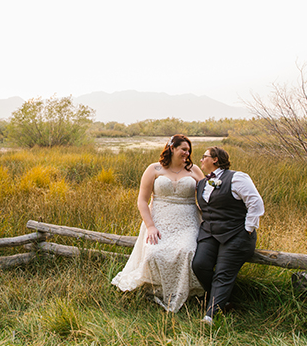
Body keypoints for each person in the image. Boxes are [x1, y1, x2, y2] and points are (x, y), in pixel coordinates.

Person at [112, 134, 205, 312]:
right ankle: (157, 291)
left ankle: (185, 294)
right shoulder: (154, 169)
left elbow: (206, 197)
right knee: (153, 253)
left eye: (189, 150)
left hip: (188, 222)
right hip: (159, 220)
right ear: (172, 148)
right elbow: (142, 200)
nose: (187, 153)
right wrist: (150, 226)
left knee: (187, 252)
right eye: (183, 149)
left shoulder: (194, 171)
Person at [192, 146, 265, 325]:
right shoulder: (202, 183)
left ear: (215, 159)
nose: (201, 160)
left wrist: (248, 229)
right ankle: (224, 301)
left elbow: (255, 203)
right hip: (210, 233)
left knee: (223, 273)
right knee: (199, 265)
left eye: (204, 157)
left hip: (236, 234)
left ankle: (210, 316)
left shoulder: (237, 178)